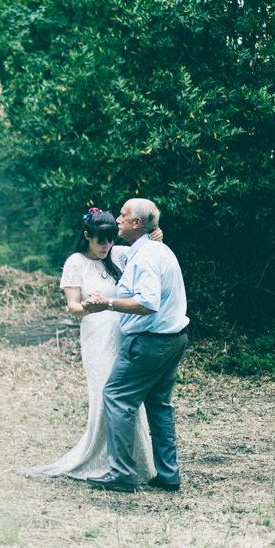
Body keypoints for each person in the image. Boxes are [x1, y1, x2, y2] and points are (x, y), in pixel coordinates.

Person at [22, 208, 157, 481]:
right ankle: (103, 461)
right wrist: (91, 305)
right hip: (96, 335)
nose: (106, 246)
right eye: (100, 240)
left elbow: (150, 249)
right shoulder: (76, 262)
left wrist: (157, 234)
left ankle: (135, 463)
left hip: (122, 334)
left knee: (128, 397)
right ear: (87, 236)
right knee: (106, 395)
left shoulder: (117, 255)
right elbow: (72, 306)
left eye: (110, 239)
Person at [82, 198, 189, 493]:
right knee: (159, 405)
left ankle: (122, 474)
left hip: (149, 342)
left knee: (117, 397)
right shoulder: (155, 250)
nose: (118, 219)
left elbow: (147, 302)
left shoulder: (145, 257)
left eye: (123, 215)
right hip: (174, 339)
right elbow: (110, 252)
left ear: (136, 224)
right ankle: (168, 474)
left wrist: (108, 303)